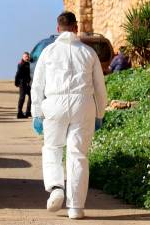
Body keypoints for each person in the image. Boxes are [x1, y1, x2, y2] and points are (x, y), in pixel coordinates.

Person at [31, 11, 107, 219]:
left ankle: (56, 188)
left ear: (58, 29)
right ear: (76, 27)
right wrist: (99, 113)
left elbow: (37, 85)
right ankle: (76, 207)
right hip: (83, 104)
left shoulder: (48, 52)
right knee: (78, 155)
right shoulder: (88, 52)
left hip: (54, 103)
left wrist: (37, 113)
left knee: (53, 148)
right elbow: (100, 88)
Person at [15, 52, 32, 119]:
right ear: (23, 57)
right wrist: (16, 82)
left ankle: (28, 112)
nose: (27, 58)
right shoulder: (21, 64)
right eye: (25, 57)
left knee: (31, 96)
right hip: (22, 83)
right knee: (22, 98)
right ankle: (19, 113)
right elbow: (17, 74)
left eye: (27, 56)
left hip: (27, 84)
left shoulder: (28, 63)